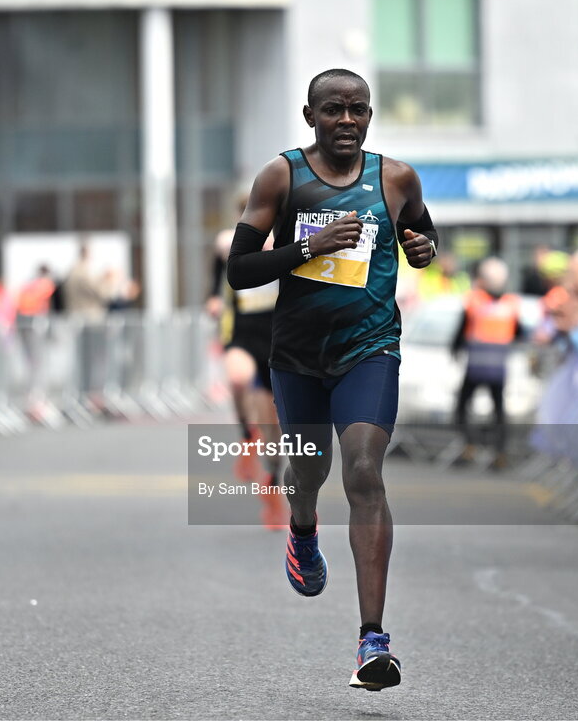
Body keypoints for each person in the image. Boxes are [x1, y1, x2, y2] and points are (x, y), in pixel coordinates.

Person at [227, 68, 437, 691]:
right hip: (296, 358)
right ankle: (302, 527)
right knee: (310, 472)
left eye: (359, 110)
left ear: (370, 116)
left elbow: (421, 232)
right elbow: (240, 271)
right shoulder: (282, 176)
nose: (347, 120)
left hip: (369, 350)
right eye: (334, 110)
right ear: (310, 115)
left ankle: (374, 641)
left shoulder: (395, 177)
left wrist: (423, 248)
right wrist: (307, 247)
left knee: (365, 470)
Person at [208, 196, 286, 529]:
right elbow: (218, 266)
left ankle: (273, 485)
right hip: (241, 334)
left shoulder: (287, 242)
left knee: (274, 429)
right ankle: (245, 436)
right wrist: (213, 299)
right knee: (238, 377)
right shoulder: (230, 243)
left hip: (277, 339)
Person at [451, 257, 522, 468]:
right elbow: (519, 332)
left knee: (462, 407)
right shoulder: (511, 303)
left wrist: (454, 350)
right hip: (498, 368)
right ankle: (500, 453)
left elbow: (461, 330)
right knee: (498, 411)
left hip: (475, 366)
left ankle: (470, 446)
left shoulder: (474, 300)